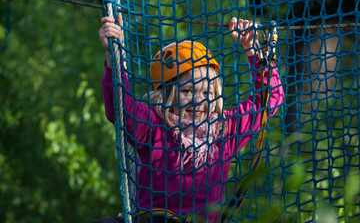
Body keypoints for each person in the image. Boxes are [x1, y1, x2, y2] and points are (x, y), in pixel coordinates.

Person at [95, 14, 284, 223]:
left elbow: (269, 100)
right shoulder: (154, 127)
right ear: (167, 95)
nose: (198, 102)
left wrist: (253, 51)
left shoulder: (223, 131)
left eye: (206, 93)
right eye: (187, 91)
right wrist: (114, 57)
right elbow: (122, 108)